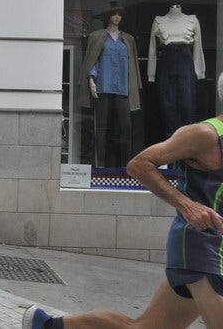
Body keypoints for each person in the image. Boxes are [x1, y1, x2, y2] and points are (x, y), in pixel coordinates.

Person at [23, 73, 223, 329]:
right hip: (201, 248)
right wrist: (188, 205)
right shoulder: (205, 135)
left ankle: (47, 326)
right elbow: (139, 164)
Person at [78, 4, 142, 168]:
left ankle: (126, 165)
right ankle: (100, 164)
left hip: (123, 87)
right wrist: (91, 79)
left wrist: (134, 85)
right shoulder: (96, 36)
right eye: (114, 14)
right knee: (101, 127)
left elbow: (133, 65)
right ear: (108, 16)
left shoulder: (128, 39)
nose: (117, 17)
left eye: (120, 14)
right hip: (103, 85)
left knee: (126, 126)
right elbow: (93, 60)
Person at [147, 4, 205, 139]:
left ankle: (187, 141)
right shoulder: (159, 21)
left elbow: (198, 47)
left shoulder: (192, 20)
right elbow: (152, 48)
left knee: (187, 103)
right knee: (167, 104)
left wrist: (199, 71)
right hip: (166, 59)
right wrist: (151, 73)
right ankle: (170, 141)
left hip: (185, 59)